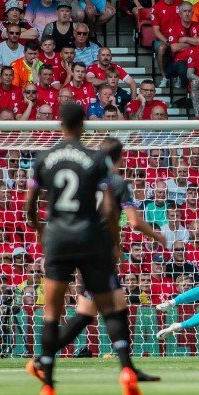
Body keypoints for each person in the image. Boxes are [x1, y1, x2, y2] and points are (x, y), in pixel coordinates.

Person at [24, 103, 144, 395]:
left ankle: (49, 387)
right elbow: (107, 207)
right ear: (84, 125)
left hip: (58, 238)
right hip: (91, 237)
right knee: (109, 306)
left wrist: (40, 228)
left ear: (59, 124)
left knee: (51, 311)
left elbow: (29, 203)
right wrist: (113, 242)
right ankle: (126, 371)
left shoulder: (44, 158)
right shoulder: (97, 158)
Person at [55, 138, 167, 381]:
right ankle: (128, 370)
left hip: (78, 247)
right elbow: (135, 222)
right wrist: (156, 235)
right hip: (99, 252)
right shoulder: (117, 183)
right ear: (120, 157)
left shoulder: (84, 180)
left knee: (87, 312)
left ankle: (43, 358)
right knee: (116, 309)